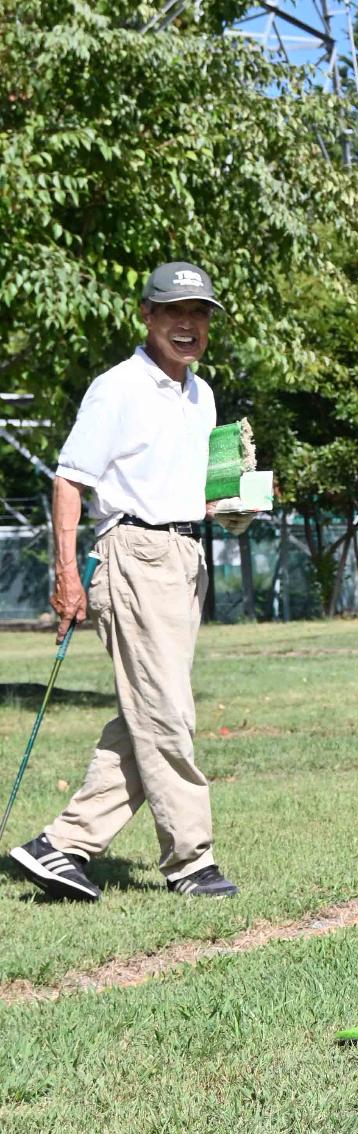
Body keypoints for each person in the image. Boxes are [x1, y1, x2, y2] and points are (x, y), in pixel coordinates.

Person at [7, 263, 242, 902]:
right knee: (167, 713)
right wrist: (66, 575)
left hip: (185, 557)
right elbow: (69, 480)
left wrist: (231, 506)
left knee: (149, 711)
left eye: (199, 313)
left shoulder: (203, 395)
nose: (188, 325)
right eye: (174, 312)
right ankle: (191, 862)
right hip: (133, 552)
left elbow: (201, 489)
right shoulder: (116, 388)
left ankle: (61, 845)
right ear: (148, 316)